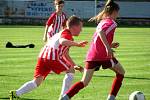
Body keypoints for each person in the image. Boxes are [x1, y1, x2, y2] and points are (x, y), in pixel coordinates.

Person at [9, 16, 88, 100]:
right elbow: (62, 41)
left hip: (42, 57)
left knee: (37, 82)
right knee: (70, 70)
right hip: (51, 57)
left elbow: (65, 54)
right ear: (74, 27)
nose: (81, 30)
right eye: (80, 27)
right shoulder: (67, 33)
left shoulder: (61, 33)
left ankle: (16, 93)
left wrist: (74, 65)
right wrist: (77, 44)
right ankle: (63, 97)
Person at [61, 0, 125, 100]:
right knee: (121, 72)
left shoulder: (102, 21)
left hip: (92, 55)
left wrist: (110, 45)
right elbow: (101, 32)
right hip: (103, 55)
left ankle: (65, 98)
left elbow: (98, 39)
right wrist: (108, 48)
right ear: (115, 12)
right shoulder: (112, 23)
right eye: (118, 12)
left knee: (84, 82)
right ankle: (111, 98)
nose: (118, 14)